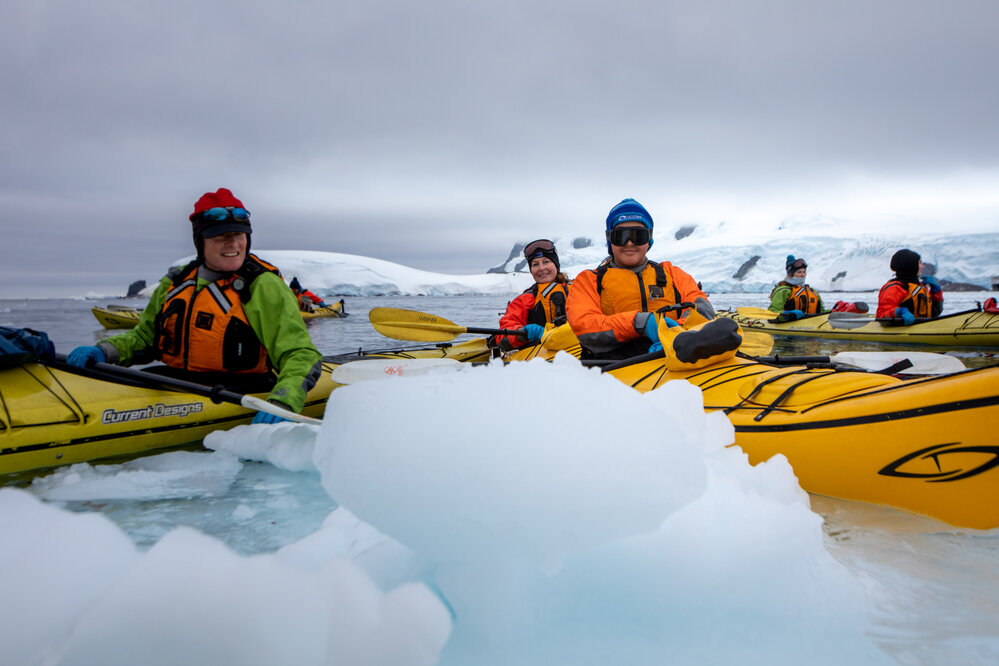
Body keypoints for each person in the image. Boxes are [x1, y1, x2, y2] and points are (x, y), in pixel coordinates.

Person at [66, 188, 323, 424]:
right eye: (221, 236)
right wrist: (105, 351)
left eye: (239, 235)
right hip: (177, 380)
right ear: (200, 241)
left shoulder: (262, 284)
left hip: (240, 387)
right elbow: (145, 337)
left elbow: (300, 354)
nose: (233, 244)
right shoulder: (176, 282)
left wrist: (283, 402)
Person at [566, 198, 718, 360]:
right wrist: (639, 323)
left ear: (649, 240)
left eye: (638, 236)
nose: (629, 243)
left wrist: (675, 334)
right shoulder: (589, 281)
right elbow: (585, 326)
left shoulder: (672, 274)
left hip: (674, 358)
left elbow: (701, 308)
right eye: (620, 236)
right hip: (611, 367)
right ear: (610, 239)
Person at [493, 239, 572, 351]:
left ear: (555, 264)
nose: (541, 268)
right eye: (535, 264)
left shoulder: (578, 289)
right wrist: (521, 333)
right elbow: (501, 336)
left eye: (546, 262)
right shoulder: (524, 300)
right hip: (541, 355)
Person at [876, 248, 944, 324]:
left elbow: (934, 314)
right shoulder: (894, 288)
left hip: (922, 328)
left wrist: (936, 294)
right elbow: (881, 315)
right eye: (920, 263)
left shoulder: (921, 287)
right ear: (910, 265)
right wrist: (898, 312)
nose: (923, 266)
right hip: (900, 331)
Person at [767, 255, 825, 320]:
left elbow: (821, 312)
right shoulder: (783, 291)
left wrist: (834, 311)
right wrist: (789, 314)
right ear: (791, 274)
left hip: (811, 325)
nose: (802, 275)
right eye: (799, 272)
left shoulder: (812, 291)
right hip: (787, 326)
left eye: (804, 272)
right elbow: (773, 311)